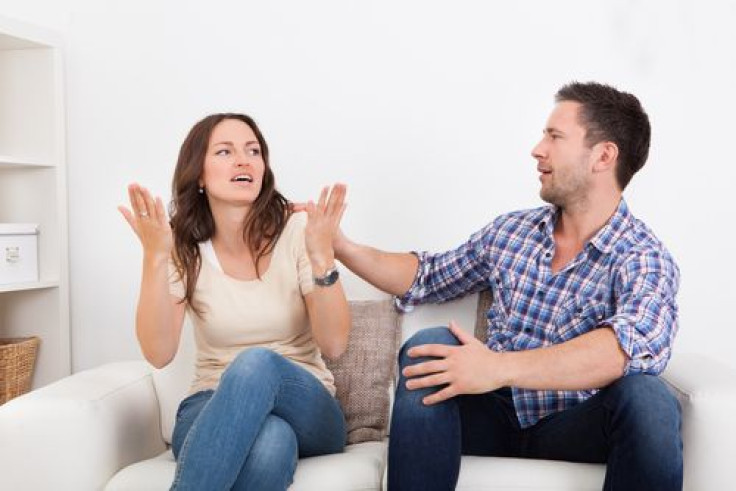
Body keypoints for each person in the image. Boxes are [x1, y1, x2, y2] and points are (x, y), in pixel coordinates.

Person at [325, 82, 682, 490]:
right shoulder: (513, 232)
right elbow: (425, 275)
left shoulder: (643, 257)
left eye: (554, 136)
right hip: (493, 414)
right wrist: (342, 247)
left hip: (574, 424)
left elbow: (628, 349)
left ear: (603, 155)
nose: (538, 149)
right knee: (430, 346)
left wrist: (497, 368)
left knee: (649, 398)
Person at [118, 113, 351, 491]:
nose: (244, 160)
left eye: (253, 151)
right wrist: (155, 257)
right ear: (198, 175)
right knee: (271, 443)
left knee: (256, 362)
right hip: (209, 404)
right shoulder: (183, 248)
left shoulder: (298, 232)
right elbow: (159, 352)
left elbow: (335, 343)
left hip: (308, 406)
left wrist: (323, 255)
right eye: (225, 151)